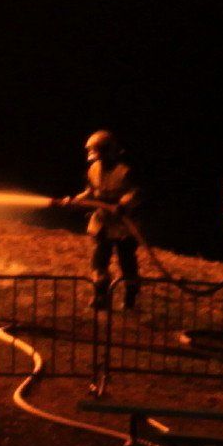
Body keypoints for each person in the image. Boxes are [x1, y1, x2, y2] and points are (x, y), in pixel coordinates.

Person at [80, 131, 145, 312]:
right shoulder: (93, 169)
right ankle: (101, 297)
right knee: (99, 262)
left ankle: (130, 299)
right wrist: (77, 199)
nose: (98, 159)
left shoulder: (125, 172)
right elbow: (91, 191)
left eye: (99, 153)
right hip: (102, 223)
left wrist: (123, 204)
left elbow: (135, 193)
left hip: (124, 226)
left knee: (127, 262)